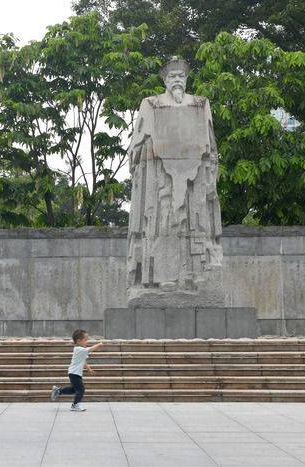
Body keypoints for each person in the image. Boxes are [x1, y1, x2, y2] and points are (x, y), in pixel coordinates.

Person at [126, 56, 223, 304]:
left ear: (187, 80)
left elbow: (210, 145)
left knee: (195, 226)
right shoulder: (151, 104)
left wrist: (211, 173)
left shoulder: (201, 104)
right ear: (165, 80)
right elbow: (137, 145)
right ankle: (161, 279)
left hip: (195, 184)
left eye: (182, 76)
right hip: (159, 182)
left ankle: (195, 277)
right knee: (161, 226)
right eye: (172, 77)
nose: (177, 80)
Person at [51, 329, 103, 411]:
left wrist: (89, 369)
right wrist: (99, 345)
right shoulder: (78, 349)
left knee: (74, 389)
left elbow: (84, 361)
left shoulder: (81, 350)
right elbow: (90, 349)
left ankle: (58, 391)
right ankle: (75, 405)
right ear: (78, 341)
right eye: (85, 340)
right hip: (74, 373)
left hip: (75, 373)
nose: (87, 342)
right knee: (81, 389)